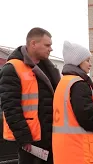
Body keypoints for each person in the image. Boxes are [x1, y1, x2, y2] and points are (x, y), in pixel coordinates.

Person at [0, 27, 61, 164]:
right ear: (33, 44)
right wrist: (24, 139)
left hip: (51, 137)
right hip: (31, 140)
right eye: (47, 45)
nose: (50, 49)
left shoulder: (49, 69)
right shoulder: (12, 68)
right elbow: (10, 107)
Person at [52, 41, 93, 164]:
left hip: (67, 151)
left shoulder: (64, 82)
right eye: (87, 60)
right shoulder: (79, 84)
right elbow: (87, 117)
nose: (90, 64)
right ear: (77, 61)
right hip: (83, 151)